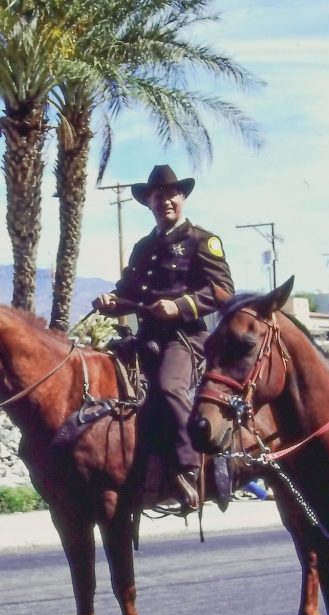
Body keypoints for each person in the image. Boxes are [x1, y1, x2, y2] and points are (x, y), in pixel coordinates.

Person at [94, 164, 234, 512]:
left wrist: (180, 307)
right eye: (159, 195)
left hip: (184, 338)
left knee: (169, 387)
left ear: (182, 197)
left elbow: (223, 291)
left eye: (171, 193)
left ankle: (188, 469)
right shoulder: (143, 247)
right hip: (145, 337)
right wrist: (110, 301)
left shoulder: (203, 240)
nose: (165, 200)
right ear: (150, 202)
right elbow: (128, 291)